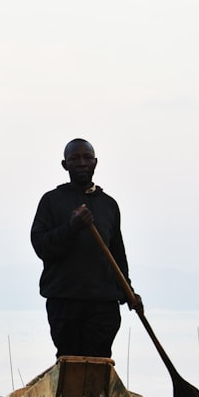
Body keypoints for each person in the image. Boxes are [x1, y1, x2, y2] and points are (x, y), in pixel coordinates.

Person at [30, 138, 141, 358]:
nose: (81, 163)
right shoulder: (51, 201)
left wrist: (128, 292)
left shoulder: (109, 205)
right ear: (65, 165)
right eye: (74, 158)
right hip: (64, 301)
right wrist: (71, 227)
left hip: (104, 303)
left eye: (87, 158)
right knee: (69, 360)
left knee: (99, 361)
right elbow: (41, 246)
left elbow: (117, 253)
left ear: (95, 162)